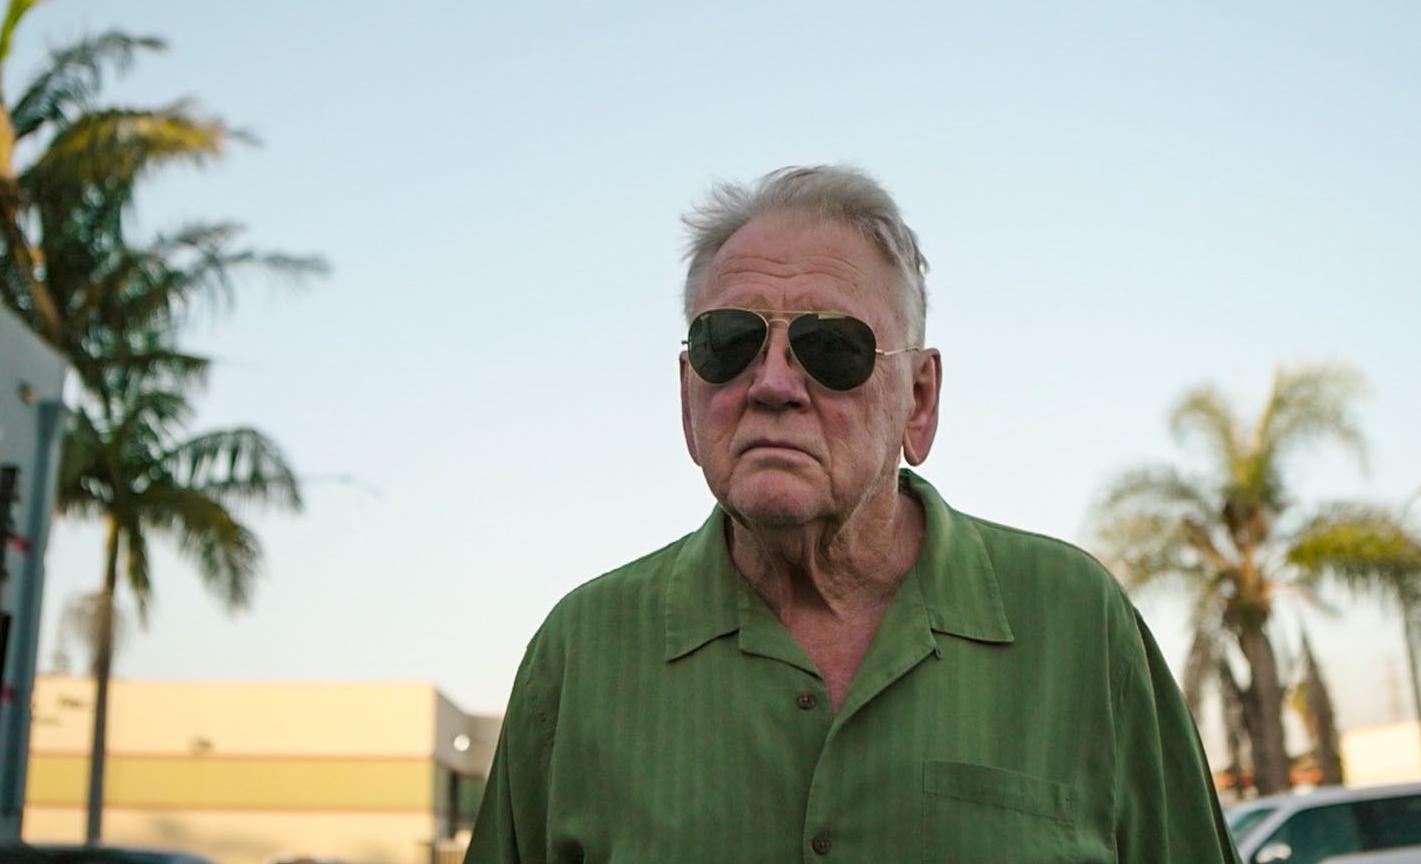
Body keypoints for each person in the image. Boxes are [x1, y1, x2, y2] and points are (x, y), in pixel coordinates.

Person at [465, 165, 1238, 863]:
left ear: (920, 402)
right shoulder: (582, 652)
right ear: (687, 397)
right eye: (728, 343)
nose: (772, 383)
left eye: (830, 346)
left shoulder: (1076, 622)